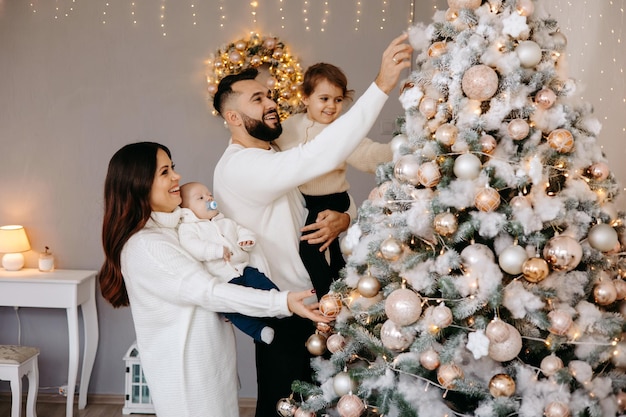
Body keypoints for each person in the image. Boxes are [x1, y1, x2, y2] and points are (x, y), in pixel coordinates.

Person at [212, 33, 412, 417]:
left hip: (314, 303)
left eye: (269, 95)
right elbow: (319, 155)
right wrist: (382, 84)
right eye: (258, 99)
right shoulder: (241, 166)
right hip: (286, 311)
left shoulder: (271, 152)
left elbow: (322, 192)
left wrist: (347, 217)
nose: (271, 102)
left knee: (323, 405)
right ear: (233, 118)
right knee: (284, 407)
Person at [98, 142, 331, 417]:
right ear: (139, 184)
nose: (176, 177)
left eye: (172, 167)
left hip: (211, 372)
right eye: (164, 172)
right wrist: (283, 301)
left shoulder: (177, 229)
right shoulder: (148, 245)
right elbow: (209, 291)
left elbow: (214, 283)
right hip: (190, 386)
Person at [274, 62, 394, 297]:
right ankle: (344, 292)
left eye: (338, 100)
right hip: (305, 201)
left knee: (310, 248)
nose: (331, 106)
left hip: (331, 198)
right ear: (306, 97)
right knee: (329, 251)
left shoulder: (342, 131)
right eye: (324, 98)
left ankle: (327, 299)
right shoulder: (288, 127)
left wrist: (400, 148)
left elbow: (371, 155)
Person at [178, 181, 278, 344]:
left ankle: (278, 302)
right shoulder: (189, 229)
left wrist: (246, 239)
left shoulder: (225, 222)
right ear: (187, 210)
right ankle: (259, 331)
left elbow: (241, 230)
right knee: (232, 310)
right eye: (201, 197)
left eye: (209, 194)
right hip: (223, 279)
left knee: (261, 281)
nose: (209, 198)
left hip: (243, 269)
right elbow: (193, 246)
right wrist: (215, 250)